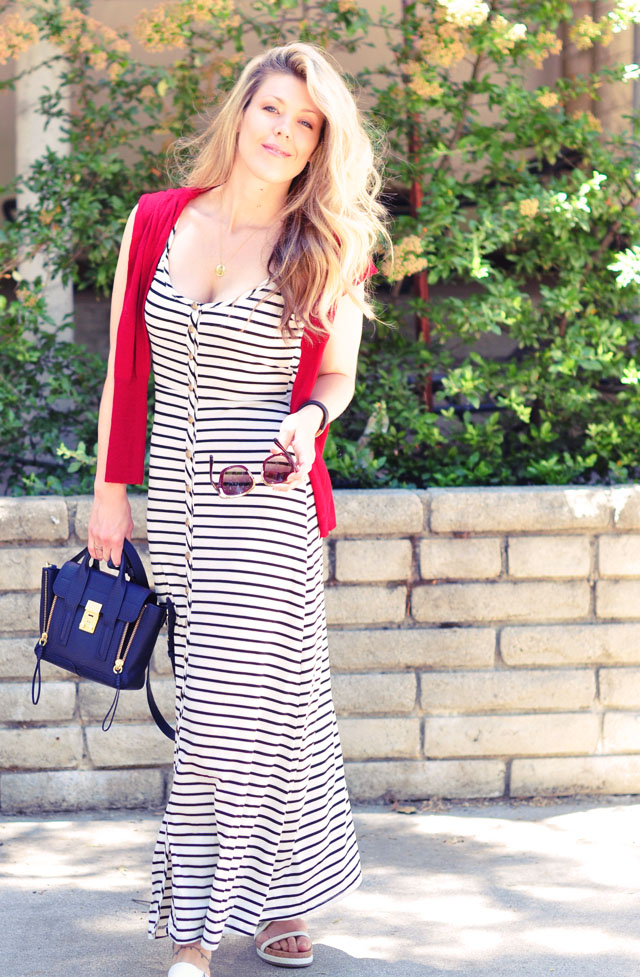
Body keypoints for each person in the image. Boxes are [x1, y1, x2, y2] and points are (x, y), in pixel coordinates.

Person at [87, 41, 388, 977]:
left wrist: (308, 417)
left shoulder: (328, 239)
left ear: (318, 144)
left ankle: (192, 933)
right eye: (274, 111)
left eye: (306, 125)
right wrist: (109, 493)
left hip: (262, 503)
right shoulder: (157, 221)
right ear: (241, 110)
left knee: (224, 712)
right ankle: (289, 894)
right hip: (172, 509)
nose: (285, 133)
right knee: (275, 706)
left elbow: (334, 375)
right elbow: (119, 370)